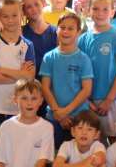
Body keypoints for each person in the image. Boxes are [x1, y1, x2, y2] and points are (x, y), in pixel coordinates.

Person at [0, 0, 37, 148]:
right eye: (5, 16)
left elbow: (30, 77)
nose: (10, 20)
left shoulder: (28, 45)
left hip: (19, 107)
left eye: (14, 15)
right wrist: (20, 75)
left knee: (18, 149)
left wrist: (2, 70)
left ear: (21, 16)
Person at [0, 79, 54, 167]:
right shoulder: (6, 126)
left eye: (34, 98)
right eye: (24, 98)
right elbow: (0, 161)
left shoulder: (46, 127)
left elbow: (42, 160)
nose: (29, 103)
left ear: (41, 100)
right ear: (15, 99)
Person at [78, 0, 116, 138]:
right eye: (95, 9)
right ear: (88, 11)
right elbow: (79, 72)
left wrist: (108, 100)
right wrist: (85, 99)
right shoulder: (83, 39)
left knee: (115, 137)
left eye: (105, 9)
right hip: (89, 99)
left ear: (112, 12)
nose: (100, 13)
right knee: (92, 140)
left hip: (112, 98)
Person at [39, 11, 94, 149]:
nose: (66, 31)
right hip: (54, 116)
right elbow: (45, 87)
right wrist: (58, 112)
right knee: (53, 154)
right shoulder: (49, 57)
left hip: (79, 118)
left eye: (70, 28)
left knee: (78, 154)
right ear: (56, 30)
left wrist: (66, 111)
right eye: (62, 27)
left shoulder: (83, 59)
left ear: (78, 32)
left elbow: (86, 89)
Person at [19, 0, 57, 77]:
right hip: (29, 81)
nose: (34, 9)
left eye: (36, 4)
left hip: (52, 81)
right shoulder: (20, 33)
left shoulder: (56, 32)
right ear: (23, 11)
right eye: (29, 7)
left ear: (43, 4)